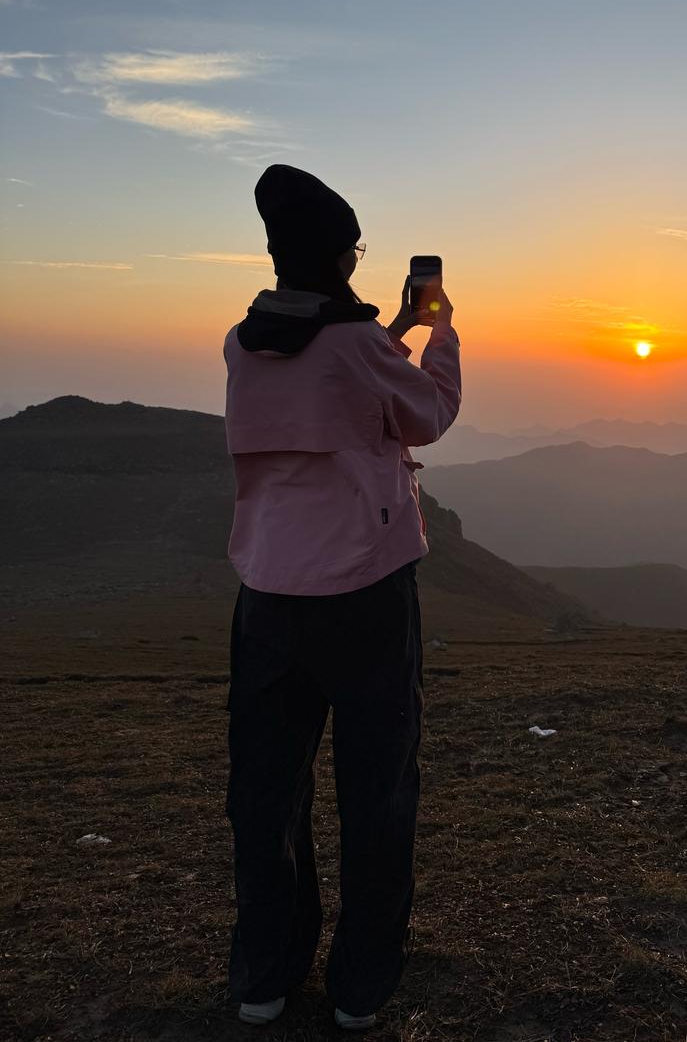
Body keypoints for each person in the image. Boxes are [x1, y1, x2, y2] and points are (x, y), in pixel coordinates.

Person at [221, 164, 461, 1030]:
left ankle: (265, 976)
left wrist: (389, 327)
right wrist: (440, 331)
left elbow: (330, 367)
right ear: (345, 255)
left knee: (267, 790)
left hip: (267, 596)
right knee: (377, 786)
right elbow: (424, 415)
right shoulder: (359, 347)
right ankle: (360, 987)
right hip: (363, 594)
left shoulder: (241, 345)